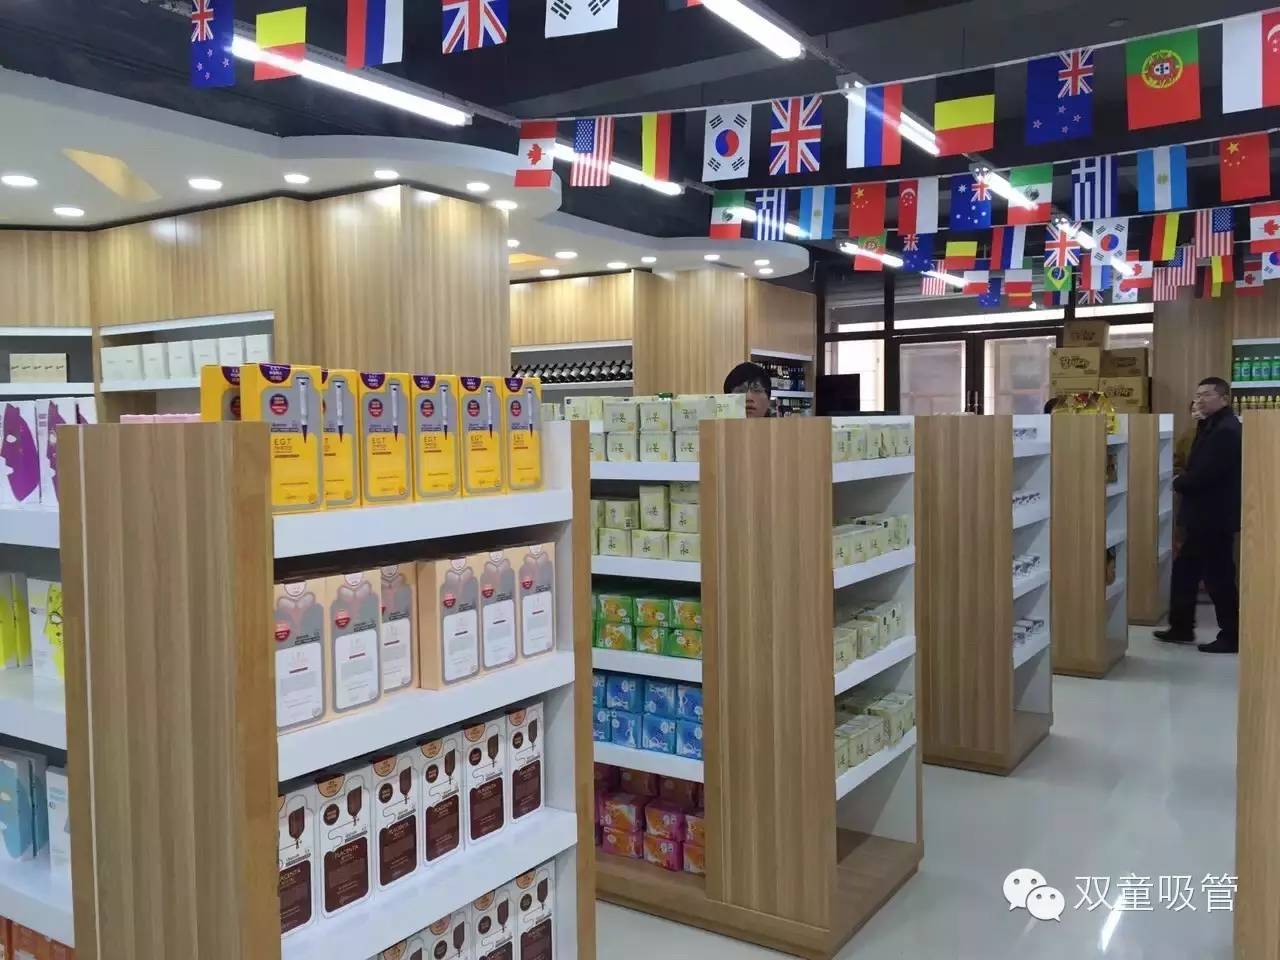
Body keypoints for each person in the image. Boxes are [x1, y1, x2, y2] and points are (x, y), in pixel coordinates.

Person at [1154, 377, 1241, 654]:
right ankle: (1181, 626)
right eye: (1197, 395)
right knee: (1186, 571)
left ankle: (1232, 635)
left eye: (1206, 395)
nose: (1199, 400)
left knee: (1219, 576)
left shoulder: (1226, 430)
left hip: (1213, 516)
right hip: (1203, 515)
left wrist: (1179, 482)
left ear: (1224, 399)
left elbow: (1206, 473)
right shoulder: (1211, 426)